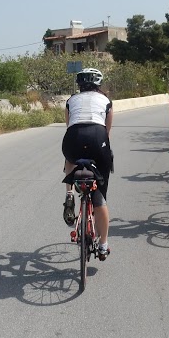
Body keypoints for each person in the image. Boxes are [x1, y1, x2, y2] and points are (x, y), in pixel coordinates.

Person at [61, 67, 114, 260]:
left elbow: (69, 125)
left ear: (80, 85)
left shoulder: (71, 100)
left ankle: (69, 193)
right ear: (98, 84)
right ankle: (103, 245)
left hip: (73, 139)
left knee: (70, 157)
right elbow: (107, 131)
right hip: (98, 138)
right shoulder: (106, 100)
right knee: (100, 197)